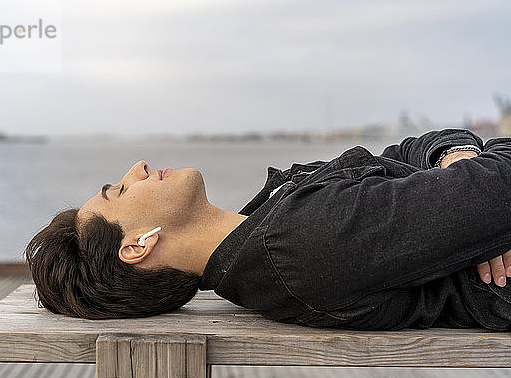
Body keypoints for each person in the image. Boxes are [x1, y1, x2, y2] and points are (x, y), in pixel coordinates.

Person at [25, 128, 511, 330]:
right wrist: (477, 203)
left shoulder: (272, 224)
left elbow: (412, 149)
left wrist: (456, 165)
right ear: (138, 245)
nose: (137, 167)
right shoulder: (304, 245)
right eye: (121, 191)